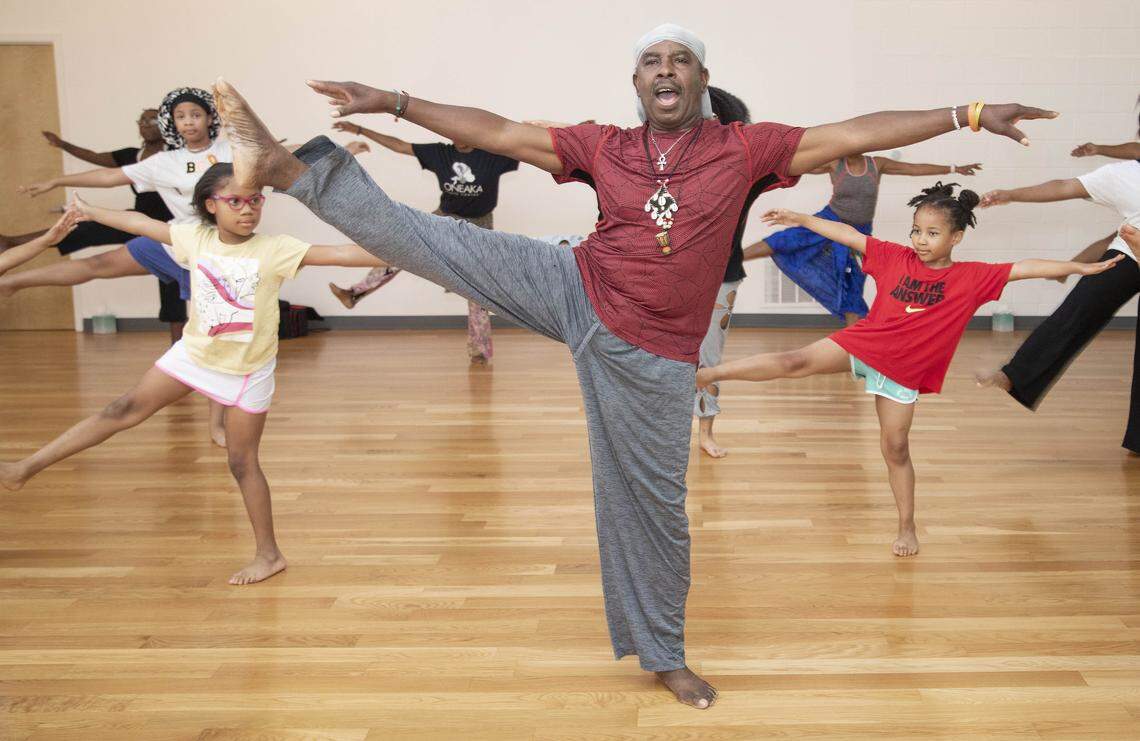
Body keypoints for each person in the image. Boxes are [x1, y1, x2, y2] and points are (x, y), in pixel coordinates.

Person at [210, 21, 1055, 707]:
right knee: (442, 242)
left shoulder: (747, 147)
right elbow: (499, 130)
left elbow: (854, 133)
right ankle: (291, 165)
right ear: (636, 82)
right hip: (576, 282)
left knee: (652, 506)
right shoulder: (605, 144)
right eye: (649, 59)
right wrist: (395, 102)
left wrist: (967, 112)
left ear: (700, 78)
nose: (663, 68)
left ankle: (663, 650)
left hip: (653, 351)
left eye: (678, 58)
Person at [0, 163, 387, 586]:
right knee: (121, 408)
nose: (248, 209)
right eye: (235, 201)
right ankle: (24, 468)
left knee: (241, 463)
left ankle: (269, 554)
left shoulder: (275, 249)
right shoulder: (194, 240)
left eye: (255, 200)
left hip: (246, 373)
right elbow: (140, 223)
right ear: (210, 205)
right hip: (195, 355)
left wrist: (416, 251)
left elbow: (342, 254)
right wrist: (91, 210)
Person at [699, 184, 1122, 557]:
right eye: (916, 230)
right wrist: (799, 217)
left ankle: (906, 525)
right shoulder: (894, 257)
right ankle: (706, 375)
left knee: (895, 447)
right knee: (795, 361)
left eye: (933, 233)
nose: (921, 240)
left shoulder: (972, 278)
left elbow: (1027, 267)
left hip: (902, 369)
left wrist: (1080, 268)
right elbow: (848, 234)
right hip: (865, 343)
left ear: (956, 237)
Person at [975, 142, 1140, 453]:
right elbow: (1064, 186)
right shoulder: (1124, 175)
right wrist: (1011, 194)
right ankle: (1017, 375)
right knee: (1082, 304)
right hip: (1130, 251)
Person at [326, 119, 520, 364]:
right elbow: (399, 145)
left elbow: (521, 147)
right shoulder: (441, 153)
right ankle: (354, 294)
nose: (456, 137)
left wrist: (536, 130)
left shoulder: (492, 156)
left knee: (477, 288)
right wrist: (361, 130)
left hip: (479, 226)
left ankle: (479, 349)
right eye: (451, 132)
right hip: (443, 218)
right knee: (402, 247)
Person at [2, 108, 187, 338]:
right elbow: (97, 162)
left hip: (168, 230)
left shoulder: (178, 155)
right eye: (142, 120)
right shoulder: (133, 156)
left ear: (165, 124)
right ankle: (10, 244)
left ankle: (177, 348)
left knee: (173, 286)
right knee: (83, 229)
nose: (146, 124)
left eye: (152, 120)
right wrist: (62, 147)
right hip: (136, 221)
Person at [742, 155, 982, 327]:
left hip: (860, 231)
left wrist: (953, 168)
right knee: (784, 240)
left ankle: (853, 345)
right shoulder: (834, 162)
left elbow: (911, 168)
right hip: (830, 220)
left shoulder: (876, 164)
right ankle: (731, 260)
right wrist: (760, 164)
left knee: (853, 286)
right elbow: (796, 164)